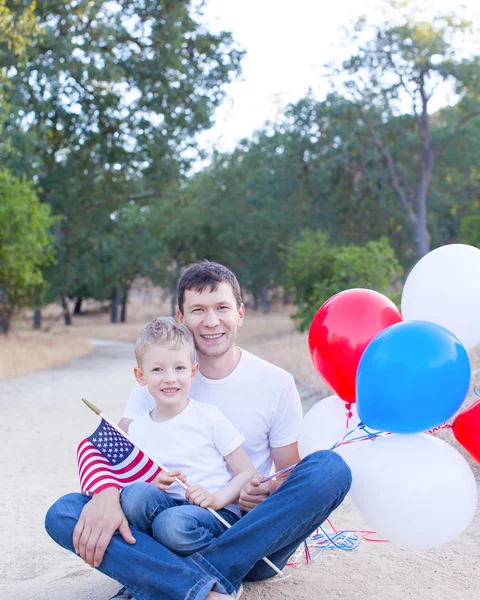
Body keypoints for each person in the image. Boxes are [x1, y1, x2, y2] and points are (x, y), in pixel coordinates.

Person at [45, 261, 352, 600]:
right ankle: (201, 588)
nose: (210, 321)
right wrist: (106, 494)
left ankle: (166, 582)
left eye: (221, 307)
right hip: (164, 530)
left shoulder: (275, 383)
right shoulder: (158, 381)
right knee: (64, 512)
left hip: (248, 537)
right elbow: (111, 452)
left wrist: (261, 493)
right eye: (197, 310)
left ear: (240, 313)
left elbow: (287, 476)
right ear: (181, 317)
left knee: (329, 469)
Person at [122, 316, 256, 557]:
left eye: (179, 368)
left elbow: (247, 472)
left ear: (193, 372)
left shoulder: (208, 416)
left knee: (171, 525)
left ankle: (210, 565)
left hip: (214, 512)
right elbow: (137, 484)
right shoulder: (137, 430)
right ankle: (157, 563)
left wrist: (215, 499)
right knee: (133, 495)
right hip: (166, 508)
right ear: (140, 376)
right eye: (157, 369)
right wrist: (154, 483)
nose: (170, 378)